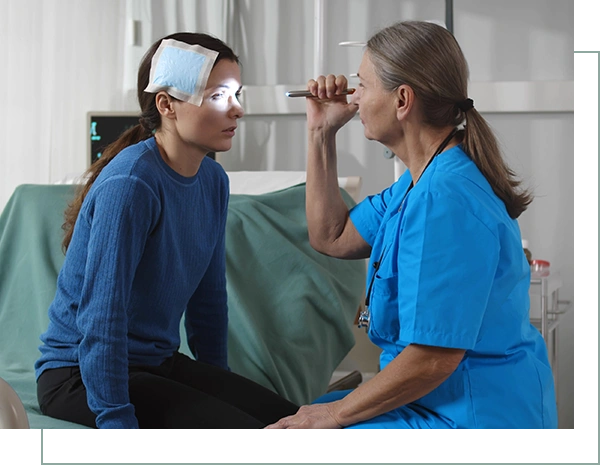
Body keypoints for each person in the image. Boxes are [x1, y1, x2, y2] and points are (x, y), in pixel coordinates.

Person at [265, 20, 558, 431]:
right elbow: (331, 236)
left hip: (471, 415)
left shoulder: (445, 198)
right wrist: (320, 132)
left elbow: (434, 358)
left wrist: (332, 415)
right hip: (432, 398)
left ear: (402, 99)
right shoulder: (418, 183)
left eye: (363, 85)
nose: (355, 98)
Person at [34, 32, 299, 432]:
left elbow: (209, 302)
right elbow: (101, 318)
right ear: (167, 105)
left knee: (298, 422)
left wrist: (216, 387)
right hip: (78, 375)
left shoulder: (213, 180)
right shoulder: (131, 184)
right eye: (218, 96)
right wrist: (117, 421)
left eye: (237, 94)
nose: (238, 110)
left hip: (154, 364)